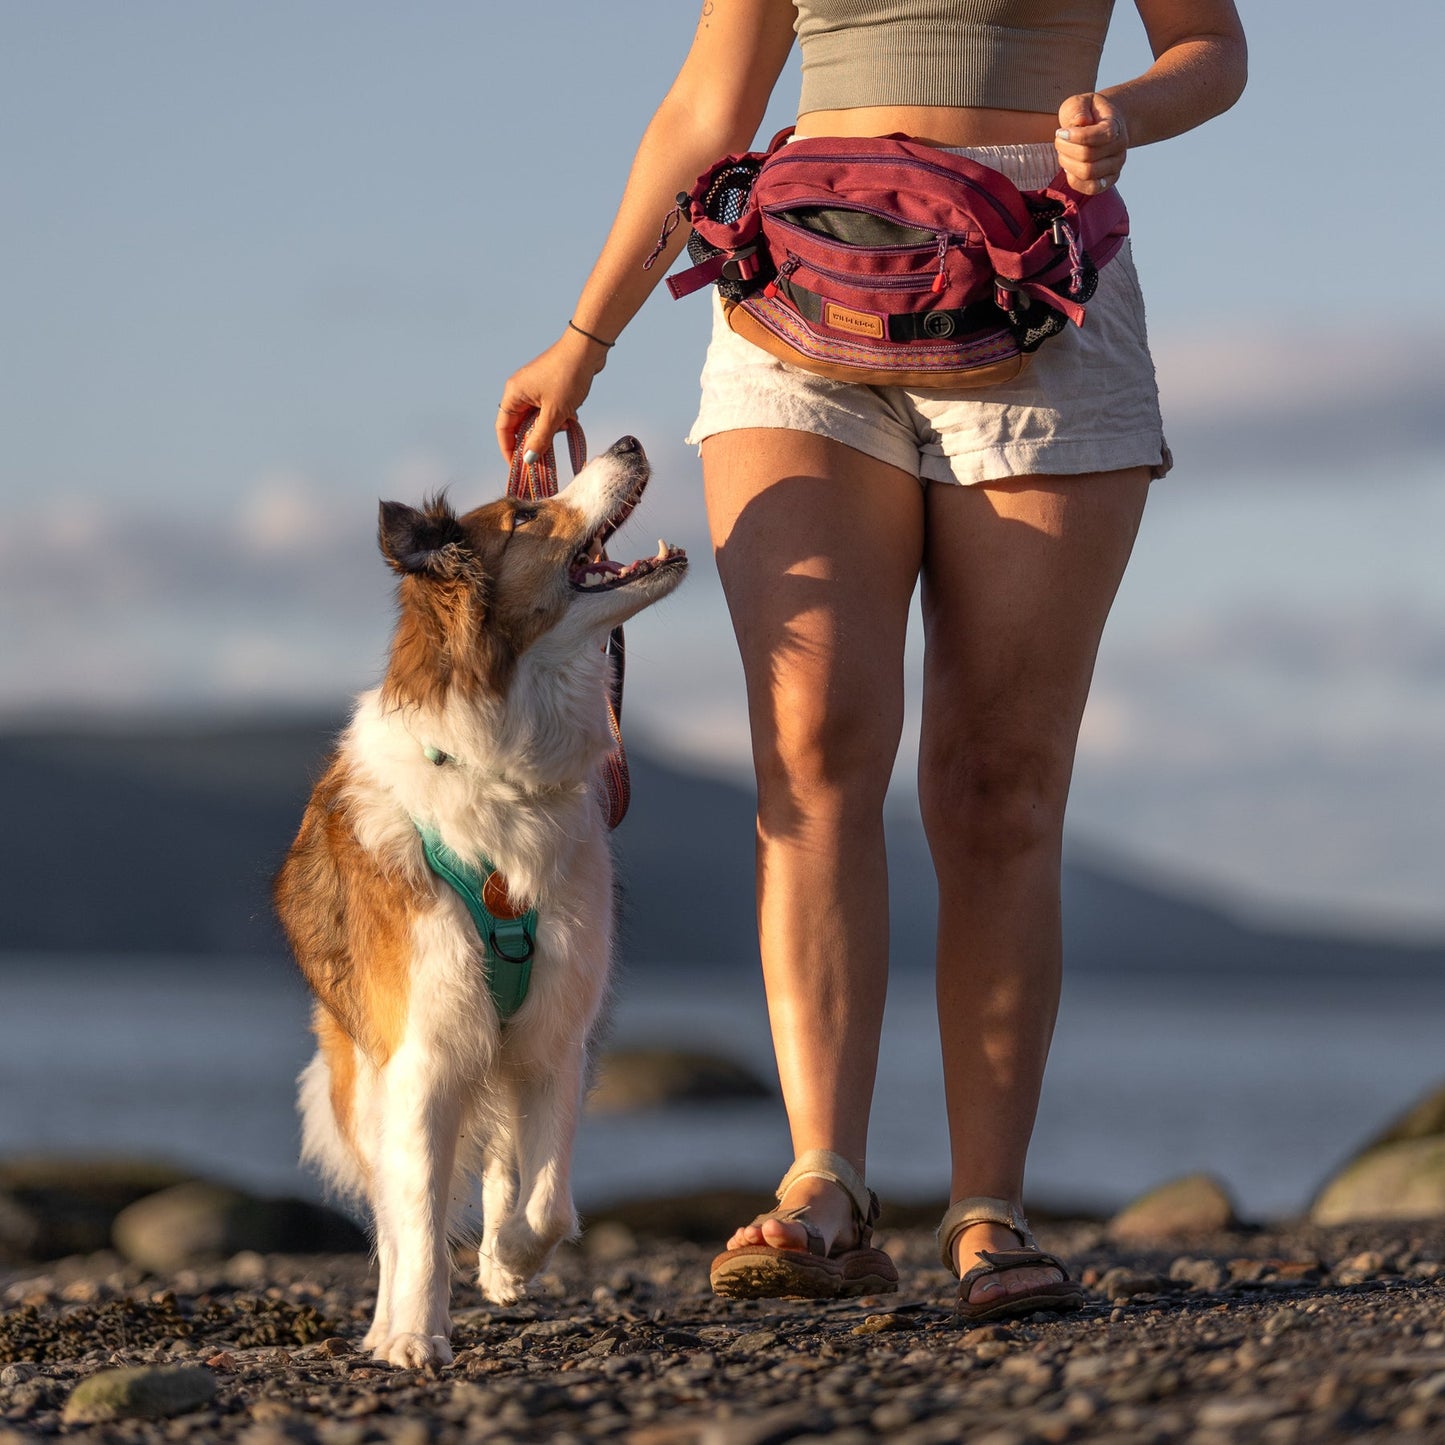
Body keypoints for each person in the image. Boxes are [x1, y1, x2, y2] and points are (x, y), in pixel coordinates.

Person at [498, 0, 1246, 1318]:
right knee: (808, 746)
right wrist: (584, 334)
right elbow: (703, 111)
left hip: (1040, 286)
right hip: (797, 287)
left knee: (998, 780)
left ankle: (988, 1211)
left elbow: (1213, 49)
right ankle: (820, 1185)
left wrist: (1122, 113)